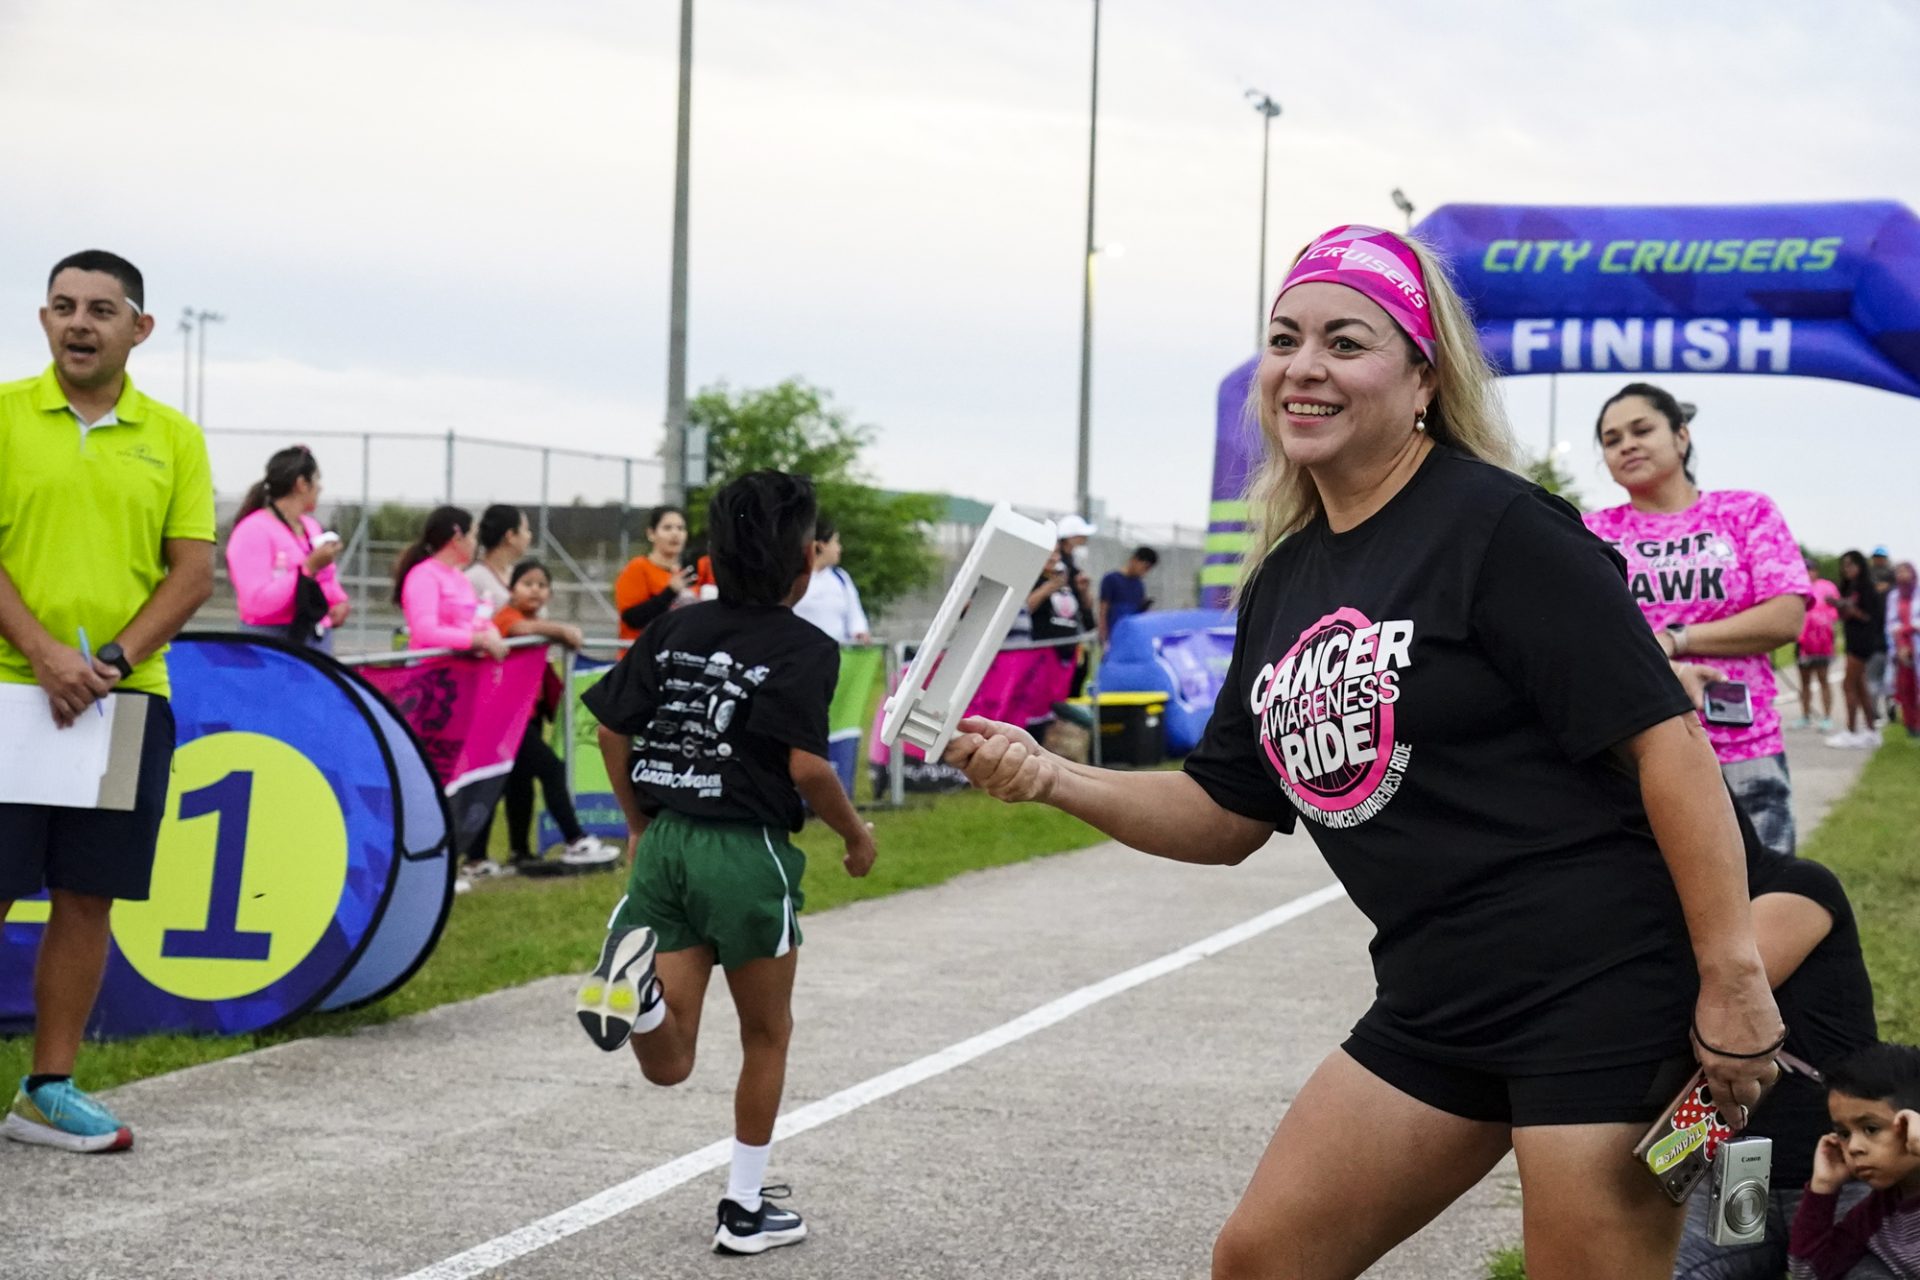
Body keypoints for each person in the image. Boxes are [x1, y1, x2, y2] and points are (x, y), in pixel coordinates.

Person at [945, 224, 1783, 1279]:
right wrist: (1050, 773)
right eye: (1286, 338)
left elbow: (1670, 747)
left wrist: (1733, 974)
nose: (1305, 366)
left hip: (1604, 985)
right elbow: (1227, 813)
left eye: (1347, 342)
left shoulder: (1501, 526)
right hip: (1438, 994)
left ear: (1424, 375)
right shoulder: (1284, 583)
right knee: (1263, 1260)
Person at [572, 471, 877, 1256]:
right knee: (767, 1034)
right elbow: (809, 769)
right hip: (746, 854)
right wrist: (855, 834)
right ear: (807, 562)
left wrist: (638, 824)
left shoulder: (674, 628)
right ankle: (744, 1210)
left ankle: (637, 1000)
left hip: (667, 844)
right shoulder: (808, 648)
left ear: (708, 557)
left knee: (669, 1059)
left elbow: (611, 728)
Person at [0, 250, 215, 1152]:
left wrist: (111, 663)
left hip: (122, 706)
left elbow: (193, 572)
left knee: (87, 898)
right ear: (44, 320)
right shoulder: (6, 417)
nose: (78, 322)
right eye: (61, 307)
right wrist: (46, 656)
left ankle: (46, 1090)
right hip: (10, 695)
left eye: (100, 308)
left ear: (140, 327)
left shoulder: (173, 437)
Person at [1585, 384, 1810, 856]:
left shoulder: (1745, 512)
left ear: (1681, 437)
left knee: (1765, 901)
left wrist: (1677, 639)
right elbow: (1585, 640)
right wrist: (1665, 667)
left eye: (1641, 429)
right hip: (1640, 753)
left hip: (1745, 745)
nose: (1626, 444)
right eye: (1611, 439)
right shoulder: (1594, 532)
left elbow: (1786, 616)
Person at [1670, 796, 1878, 1278]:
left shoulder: (1800, 887)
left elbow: (1724, 993)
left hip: (1843, 1175)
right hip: (1732, 1176)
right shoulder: (1660, 917)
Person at [394, 506, 510, 880]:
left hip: (464, 692)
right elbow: (425, 631)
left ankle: (449, 863)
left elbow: (475, 620)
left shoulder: (459, 579)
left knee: (456, 778)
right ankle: (421, 861)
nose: (476, 542)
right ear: (456, 536)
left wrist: (488, 633)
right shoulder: (423, 577)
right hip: (432, 691)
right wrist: (475, 639)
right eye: (472, 534)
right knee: (431, 777)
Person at [490, 561, 618, 868]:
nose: (535, 590)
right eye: (527, 583)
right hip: (506, 717)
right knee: (551, 769)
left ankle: (519, 853)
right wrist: (561, 631)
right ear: (511, 589)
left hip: (527, 716)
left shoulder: (534, 622)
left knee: (518, 784)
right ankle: (575, 840)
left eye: (542, 585)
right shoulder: (508, 617)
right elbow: (518, 629)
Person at [1788, 1042, 1920, 1280]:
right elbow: (1808, 1272)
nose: (1854, 1148)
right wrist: (1822, 1189)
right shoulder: (1877, 1213)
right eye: (1844, 1134)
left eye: (1871, 1128)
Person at [226, 445, 351, 651]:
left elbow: (324, 577)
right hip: (270, 646)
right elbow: (257, 604)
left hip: (315, 641)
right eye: (317, 480)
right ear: (302, 484)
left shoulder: (310, 526)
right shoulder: (252, 531)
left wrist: (338, 600)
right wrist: (307, 568)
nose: (320, 488)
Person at [614, 505, 695, 642]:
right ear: (651, 534)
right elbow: (632, 619)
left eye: (680, 528)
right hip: (641, 654)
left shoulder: (686, 573)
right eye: (667, 528)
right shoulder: (639, 567)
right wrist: (669, 592)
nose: (675, 534)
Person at [1832, 551, 1885, 750]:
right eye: (1844, 565)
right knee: (1860, 687)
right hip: (1853, 639)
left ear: (1859, 566)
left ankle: (1851, 730)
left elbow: (1871, 617)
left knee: (1848, 685)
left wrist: (1850, 609)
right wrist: (1839, 605)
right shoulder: (1850, 587)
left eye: (1850, 565)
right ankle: (1871, 730)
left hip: (1863, 642)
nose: (1846, 569)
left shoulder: (1867, 588)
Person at [790, 515, 870, 644]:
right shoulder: (795, 577)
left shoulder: (841, 578)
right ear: (821, 545)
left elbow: (855, 615)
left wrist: (860, 633)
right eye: (836, 542)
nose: (839, 548)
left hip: (836, 654)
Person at [1794, 559, 1842, 734]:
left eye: (1811, 570)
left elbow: (1836, 610)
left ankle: (1827, 716)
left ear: (1816, 571)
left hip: (1822, 642)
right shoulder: (1797, 587)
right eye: (1805, 570)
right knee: (1804, 681)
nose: (1808, 573)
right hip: (1803, 642)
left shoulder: (1827, 587)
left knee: (1823, 679)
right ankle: (1805, 715)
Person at [466, 503, 533, 615]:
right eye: (526, 529)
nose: (529, 536)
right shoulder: (473, 578)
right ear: (510, 536)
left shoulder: (517, 574)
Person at [1884, 562, 1919, 739]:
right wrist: (1901, 642)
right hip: (1902, 646)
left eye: (1906, 571)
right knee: (1905, 687)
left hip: (1917, 643)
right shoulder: (1894, 596)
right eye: (1899, 571)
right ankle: (1911, 724)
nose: (1902, 575)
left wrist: (1909, 628)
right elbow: (1891, 623)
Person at [1098, 545, 1158, 647]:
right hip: (1114, 633)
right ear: (1134, 560)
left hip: (1131, 637)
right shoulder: (1111, 579)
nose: (1144, 572)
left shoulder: (1139, 585)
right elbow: (1103, 610)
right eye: (1144, 567)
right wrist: (1103, 635)